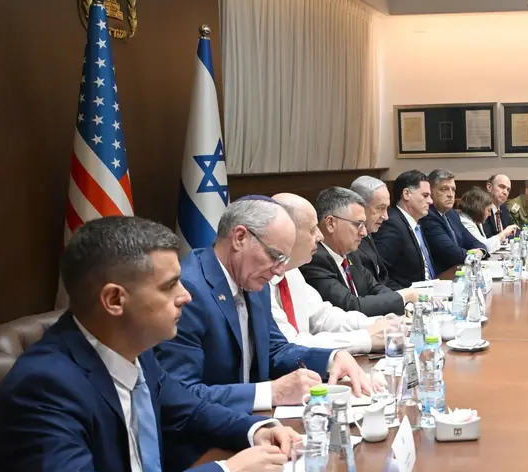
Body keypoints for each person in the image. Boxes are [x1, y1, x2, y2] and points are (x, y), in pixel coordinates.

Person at [0, 217, 302, 472]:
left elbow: (190, 409)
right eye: (169, 286)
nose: (186, 296)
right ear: (114, 300)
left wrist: (258, 429)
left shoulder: (136, 352)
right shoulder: (44, 386)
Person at [154, 196, 368, 458]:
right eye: (275, 256)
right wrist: (271, 392)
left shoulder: (253, 279)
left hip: (254, 430)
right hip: (201, 450)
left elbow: (274, 349)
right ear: (240, 237)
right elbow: (181, 394)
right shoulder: (190, 292)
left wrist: (331, 358)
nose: (279, 271)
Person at [270, 193, 397, 356]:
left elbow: (323, 317)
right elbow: (290, 344)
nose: (320, 236)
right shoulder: (260, 279)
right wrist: (366, 338)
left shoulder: (292, 272)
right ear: (285, 232)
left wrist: (380, 324)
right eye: (312, 229)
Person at [301, 186, 415, 316]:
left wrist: (403, 300)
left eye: (364, 225)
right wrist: (404, 297)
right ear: (331, 223)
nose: (364, 233)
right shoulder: (315, 259)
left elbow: (374, 287)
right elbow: (350, 305)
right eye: (358, 224)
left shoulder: (351, 254)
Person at [373, 170, 437, 288]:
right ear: (406, 194)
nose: (430, 201)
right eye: (425, 195)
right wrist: (406, 296)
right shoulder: (392, 225)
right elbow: (380, 274)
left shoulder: (415, 223)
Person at [419, 168, 487, 273]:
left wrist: (481, 251)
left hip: (460, 272)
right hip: (443, 277)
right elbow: (451, 253)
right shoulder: (427, 216)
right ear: (430, 191)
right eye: (444, 189)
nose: (450, 194)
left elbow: (473, 241)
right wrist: (475, 254)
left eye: (453, 189)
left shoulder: (452, 214)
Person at [458, 186, 518, 252]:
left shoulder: (476, 221)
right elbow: (484, 247)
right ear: (479, 209)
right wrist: (504, 233)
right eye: (489, 210)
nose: (489, 214)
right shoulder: (465, 222)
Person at [483, 173, 516, 237]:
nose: (505, 192)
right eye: (502, 187)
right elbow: (488, 237)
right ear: (489, 187)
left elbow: (513, 229)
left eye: (508, 190)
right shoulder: (482, 207)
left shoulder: (503, 207)